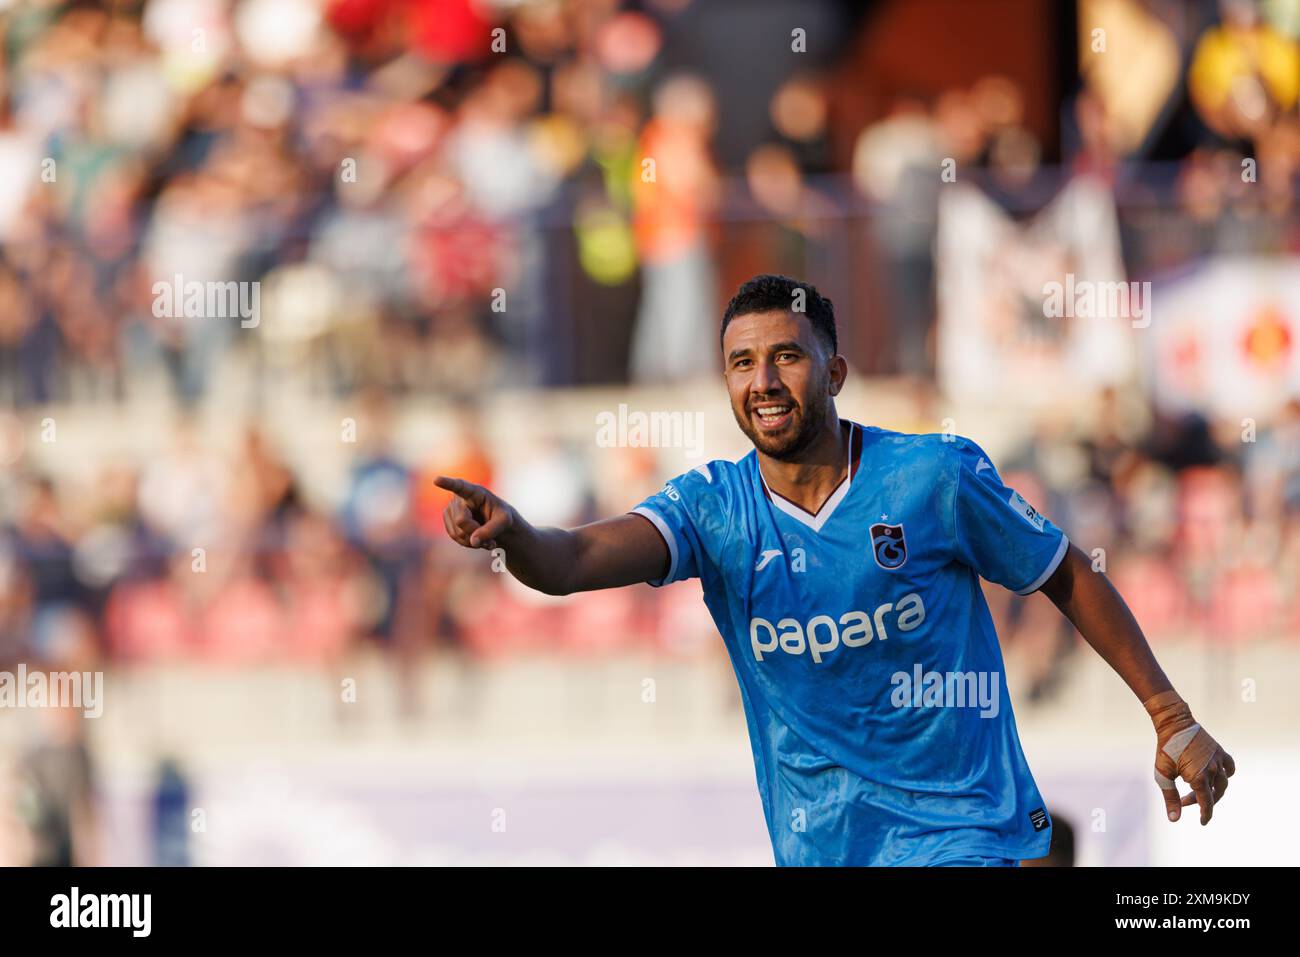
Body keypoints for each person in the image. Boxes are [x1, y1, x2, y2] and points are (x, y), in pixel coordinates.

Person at [436, 274, 1235, 866]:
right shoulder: (712, 508)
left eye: (786, 356)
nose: (763, 381)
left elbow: (1063, 573)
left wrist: (1171, 715)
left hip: (959, 833)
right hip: (821, 846)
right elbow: (572, 561)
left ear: (836, 372)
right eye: (742, 363)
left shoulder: (932, 476)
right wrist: (517, 536)